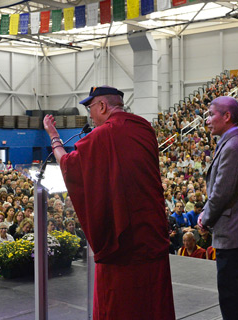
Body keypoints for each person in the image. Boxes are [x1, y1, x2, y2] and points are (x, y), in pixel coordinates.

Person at [44, 86, 174, 319]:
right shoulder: (144, 128)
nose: (90, 116)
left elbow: (68, 166)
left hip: (122, 241)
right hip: (152, 233)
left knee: (121, 306)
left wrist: (54, 136)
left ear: (102, 106)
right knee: (153, 304)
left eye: (90, 108)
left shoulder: (102, 136)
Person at [198, 96, 238, 320]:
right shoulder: (230, 143)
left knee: (231, 297)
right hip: (233, 229)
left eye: (211, 114)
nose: (207, 120)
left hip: (233, 231)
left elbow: (222, 193)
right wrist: (206, 212)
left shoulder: (233, 146)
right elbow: (218, 188)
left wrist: (205, 219)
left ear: (227, 116)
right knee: (231, 294)